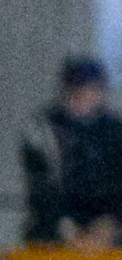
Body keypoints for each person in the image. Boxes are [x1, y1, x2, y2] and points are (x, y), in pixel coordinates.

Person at [22, 55, 122, 247]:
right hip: (53, 230)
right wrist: (64, 225)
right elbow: (40, 187)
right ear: (64, 91)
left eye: (90, 90)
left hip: (108, 232)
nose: (84, 97)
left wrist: (109, 222)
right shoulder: (43, 130)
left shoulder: (114, 131)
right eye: (77, 90)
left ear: (101, 92)